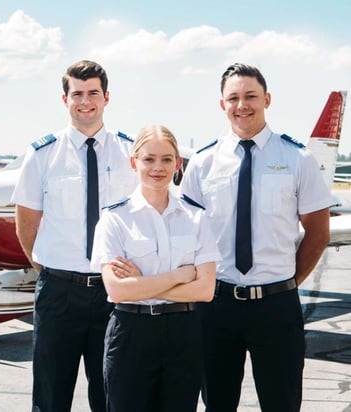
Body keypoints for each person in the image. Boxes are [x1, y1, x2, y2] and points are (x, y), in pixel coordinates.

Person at [180, 63, 332, 412]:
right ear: (222, 105)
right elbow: (187, 236)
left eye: (250, 96)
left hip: (276, 306)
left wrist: (288, 283)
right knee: (217, 403)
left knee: (282, 402)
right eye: (233, 98)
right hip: (216, 306)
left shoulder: (297, 158)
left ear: (267, 99)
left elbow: (318, 232)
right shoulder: (203, 164)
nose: (242, 105)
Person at [12, 60, 138, 412]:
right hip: (59, 294)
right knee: (51, 396)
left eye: (93, 93)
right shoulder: (42, 155)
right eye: (77, 93)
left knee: (112, 396)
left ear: (106, 97)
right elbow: (27, 223)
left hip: (113, 292)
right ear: (65, 99)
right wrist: (50, 270)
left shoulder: (130, 152)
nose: (86, 101)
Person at [90, 125, 221, 412]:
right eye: (149, 159)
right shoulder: (115, 220)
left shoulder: (196, 218)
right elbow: (117, 290)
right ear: (134, 162)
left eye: (166, 159)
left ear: (178, 164)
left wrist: (142, 282)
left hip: (183, 333)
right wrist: (178, 276)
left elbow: (205, 289)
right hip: (130, 334)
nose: (158, 168)